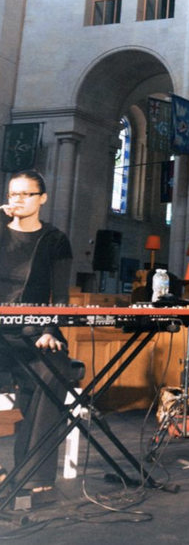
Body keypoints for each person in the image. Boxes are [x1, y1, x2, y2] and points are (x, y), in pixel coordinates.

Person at [0, 170, 73, 493]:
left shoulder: (55, 239)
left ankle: (33, 474)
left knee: (53, 368)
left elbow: (61, 297)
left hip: (32, 332)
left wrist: (50, 329)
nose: (17, 200)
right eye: (12, 193)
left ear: (42, 198)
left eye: (25, 194)